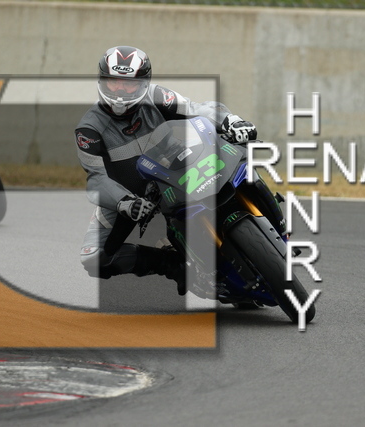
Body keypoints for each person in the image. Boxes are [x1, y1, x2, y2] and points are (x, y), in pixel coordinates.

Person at [75, 46, 257, 295]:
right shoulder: (88, 129)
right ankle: (172, 264)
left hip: (175, 166)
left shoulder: (156, 95)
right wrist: (124, 202)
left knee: (236, 158)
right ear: (102, 81)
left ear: (143, 83)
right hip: (130, 195)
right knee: (94, 257)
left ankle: (269, 214)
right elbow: (97, 179)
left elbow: (196, 108)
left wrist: (231, 121)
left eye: (128, 84)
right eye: (114, 82)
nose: (120, 91)